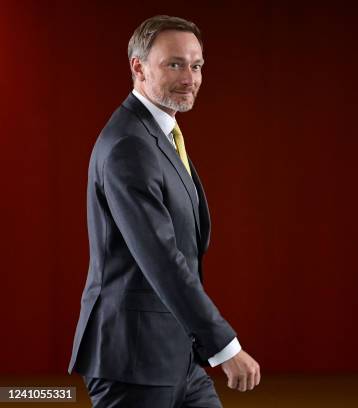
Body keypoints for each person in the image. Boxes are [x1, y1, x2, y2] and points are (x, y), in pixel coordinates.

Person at [67, 15, 260, 407]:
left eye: (197, 65)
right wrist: (224, 346)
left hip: (176, 355)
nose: (190, 77)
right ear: (138, 68)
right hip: (131, 360)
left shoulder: (159, 133)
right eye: (174, 64)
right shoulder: (129, 145)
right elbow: (162, 258)